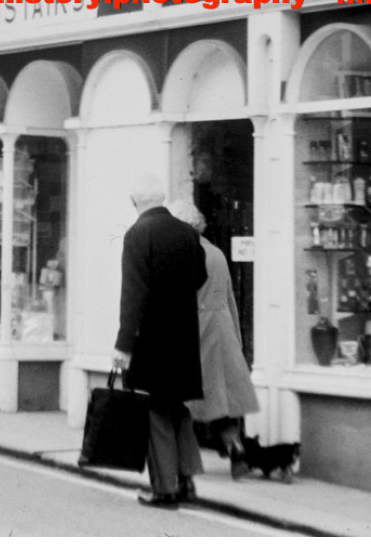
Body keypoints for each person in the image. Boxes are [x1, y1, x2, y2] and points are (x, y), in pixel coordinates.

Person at [114, 181, 207, 509]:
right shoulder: (187, 233)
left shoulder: (138, 234)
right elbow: (200, 278)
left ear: (134, 200)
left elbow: (133, 295)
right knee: (177, 409)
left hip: (151, 340)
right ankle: (187, 482)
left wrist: (123, 346)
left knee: (154, 412)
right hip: (183, 338)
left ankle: (165, 489)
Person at [169, 199, 261, 479]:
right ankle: (235, 448)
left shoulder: (181, 254)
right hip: (219, 330)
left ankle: (177, 462)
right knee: (218, 401)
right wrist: (235, 336)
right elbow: (227, 297)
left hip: (193, 331)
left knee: (178, 400)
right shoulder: (216, 253)